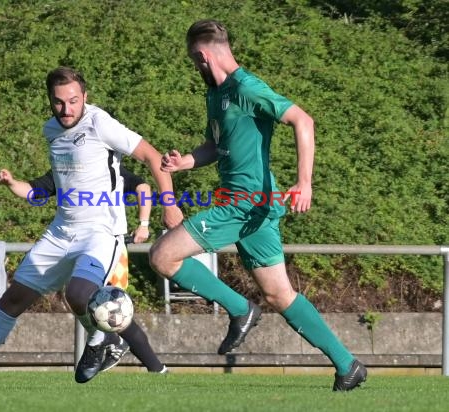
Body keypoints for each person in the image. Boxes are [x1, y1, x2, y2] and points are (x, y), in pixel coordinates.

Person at [0, 66, 183, 389]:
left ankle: (104, 339)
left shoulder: (100, 123)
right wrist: (17, 184)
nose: (67, 109)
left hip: (100, 232)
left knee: (78, 293)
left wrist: (170, 204)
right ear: (50, 101)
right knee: (11, 301)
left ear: (85, 97)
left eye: (74, 101)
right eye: (59, 102)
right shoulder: (51, 130)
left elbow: (152, 156)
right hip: (60, 231)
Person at [149, 19, 367, 392]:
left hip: (244, 205)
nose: (194, 67)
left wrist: (304, 182)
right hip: (256, 208)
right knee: (278, 295)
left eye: (193, 61)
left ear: (203, 55)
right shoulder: (217, 94)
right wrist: (185, 161)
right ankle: (348, 365)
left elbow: (303, 120)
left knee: (162, 257)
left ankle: (239, 309)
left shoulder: (248, 87)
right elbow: (215, 146)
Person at [0, 165, 165, 374]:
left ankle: (139, 358)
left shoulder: (107, 167)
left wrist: (144, 224)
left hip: (107, 248)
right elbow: (32, 190)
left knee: (108, 309)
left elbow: (143, 188)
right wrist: (11, 183)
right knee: (94, 305)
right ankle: (143, 360)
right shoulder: (65, 169)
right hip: (78, 249)